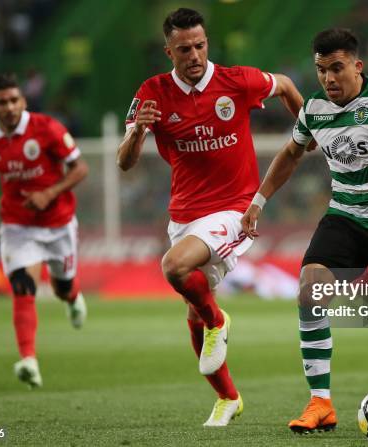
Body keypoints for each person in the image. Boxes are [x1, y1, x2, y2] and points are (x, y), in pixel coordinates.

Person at [241, 28, 368, 434]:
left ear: (357, 66)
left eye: (336, 68)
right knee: (309, 287)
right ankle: (321, 402)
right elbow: (290, 154)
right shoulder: (314, 108)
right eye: (321, 70)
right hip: (345, 218)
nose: (328, 79)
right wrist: (258, 201)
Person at [116, 8, 304, 426]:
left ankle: (220, 320)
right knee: (191, 311)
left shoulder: (236, 81)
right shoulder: (152, 92)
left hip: (235, 208)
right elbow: (125, 163)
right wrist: (136, 133)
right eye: (184, 49)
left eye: (200, 46)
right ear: (169, 51)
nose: (194, 55)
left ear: (207, 44)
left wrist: (307, 131)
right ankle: (228, 398)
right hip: (184, 215)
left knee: (175, 268)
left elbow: (287, 86)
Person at [0, 73, 89, 388]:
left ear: (24, 101)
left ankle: (72, 297)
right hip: (18, 226)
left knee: (62, 287)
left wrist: (49, 193)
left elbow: (80, 168)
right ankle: (29, 359)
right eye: (2, 102)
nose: (9, 107)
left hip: (58, 224)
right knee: (22, 286)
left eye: (14, 100)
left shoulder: (47, 128)